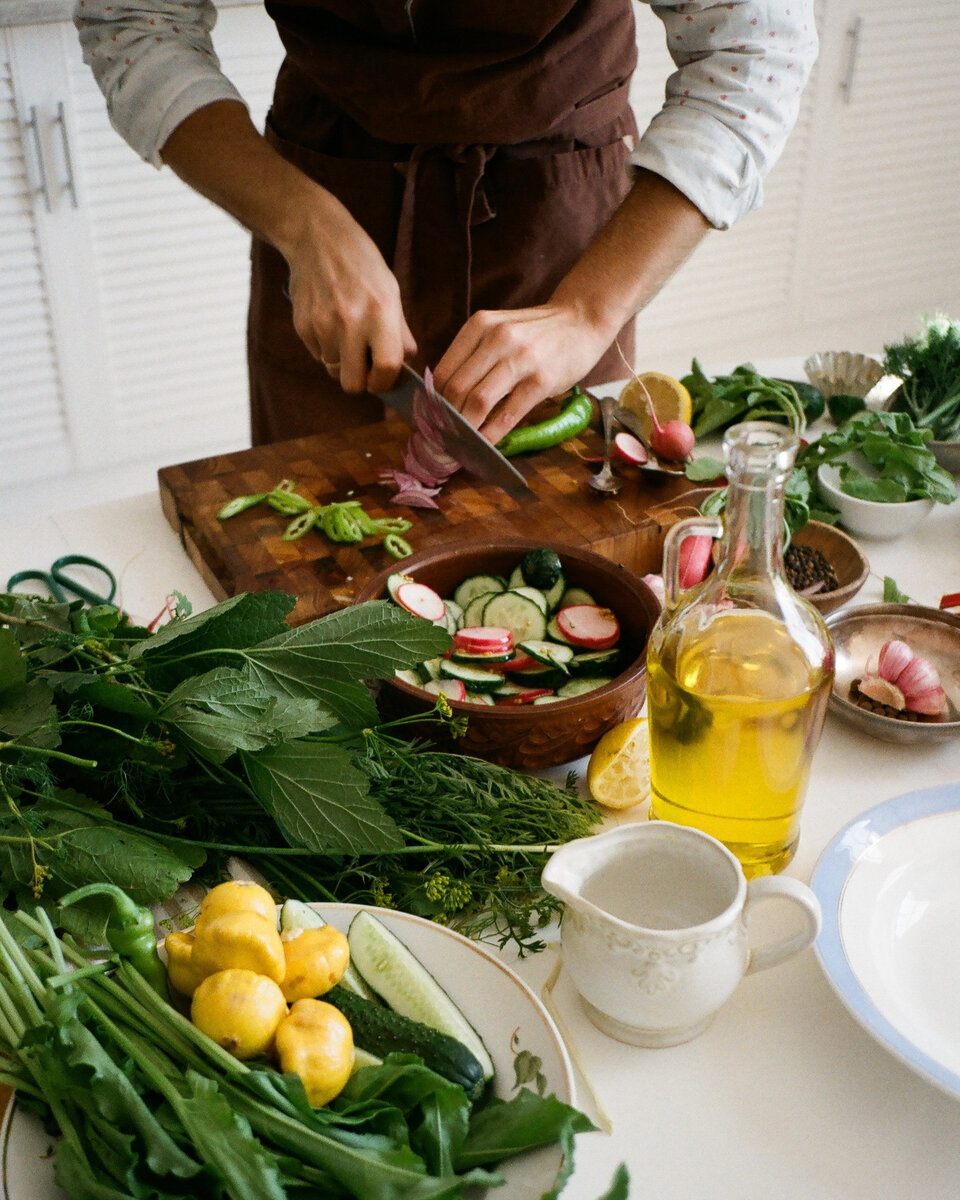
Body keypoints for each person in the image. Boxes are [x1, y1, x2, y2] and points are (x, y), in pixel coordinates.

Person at [74, 0, 817, 447]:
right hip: (323, 185)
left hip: (554, 216)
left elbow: (755, 52)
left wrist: (587, 312)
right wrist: (303, 226)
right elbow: (135, 25)